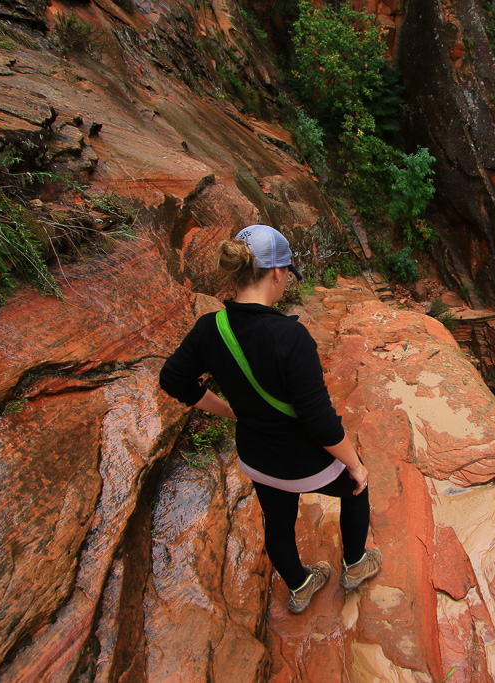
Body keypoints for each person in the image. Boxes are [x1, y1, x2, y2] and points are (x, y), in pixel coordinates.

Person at [159, 224, 381, 614]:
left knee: (277, 521)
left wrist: (229, 410)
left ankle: (299, 585)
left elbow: (173, 379)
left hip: (257, 460)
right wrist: (355, 463)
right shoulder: (291, 338)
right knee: (356, 486)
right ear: (277, 273)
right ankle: (355, 565)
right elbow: (319, 423)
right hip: (303, 461)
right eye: (286, 275)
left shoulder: (211, 328)